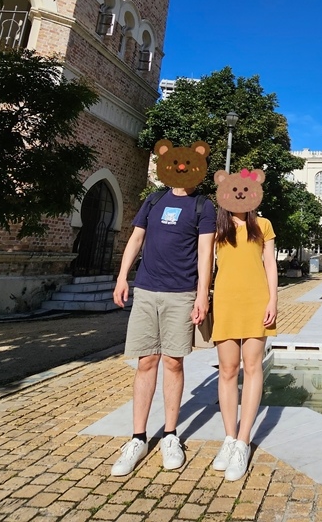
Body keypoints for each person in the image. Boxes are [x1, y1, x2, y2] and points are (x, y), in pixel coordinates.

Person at [110, 140, 216, 477]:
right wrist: (122, 277)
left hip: (181, 293)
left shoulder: (204, 206)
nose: (182, 169)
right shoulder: (153, 200)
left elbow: (205, 254)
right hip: (146, 290)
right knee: (146, 361)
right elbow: (136, 238)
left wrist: (203, 294)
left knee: (173, 362)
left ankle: (171, 434)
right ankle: (137, 437)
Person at [209, 167, 278, 482]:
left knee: (252, 368)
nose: (239, 195)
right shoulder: (216, 226)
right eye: (233, 190)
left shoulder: (262, 225)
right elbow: (203, 263)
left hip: (256, 301)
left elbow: (270, 264)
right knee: (227, 370)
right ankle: (228, 437)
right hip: (224, 301)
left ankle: (243, 441)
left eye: (245, 190)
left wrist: (273, 301)